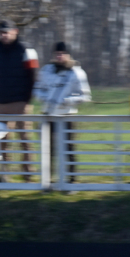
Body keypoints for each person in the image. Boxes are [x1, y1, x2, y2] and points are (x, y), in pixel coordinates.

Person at [34, 42, 91, 183]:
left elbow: (85, 96)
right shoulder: (46, 71)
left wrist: (68, 101)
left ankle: (71, 179)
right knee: (48, 148)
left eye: (62, 54)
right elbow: (37, 89)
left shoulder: (76, 73)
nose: (60, 56)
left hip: (67, 115)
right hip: (48, 114)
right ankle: (48, 180)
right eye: (57, 54)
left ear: (68, 55)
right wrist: (45, 98)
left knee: (68, 147)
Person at [0, 20, 39, 181]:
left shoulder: (26, 50)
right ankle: (3, 174)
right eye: (1, 32)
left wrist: (27, 98)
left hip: (20, 101)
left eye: (6, 32)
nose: (3, 35)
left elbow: (33, 75)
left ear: (15, 31)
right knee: (1, 139)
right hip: (0, 101)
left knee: (25, 138)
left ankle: (28, 173)